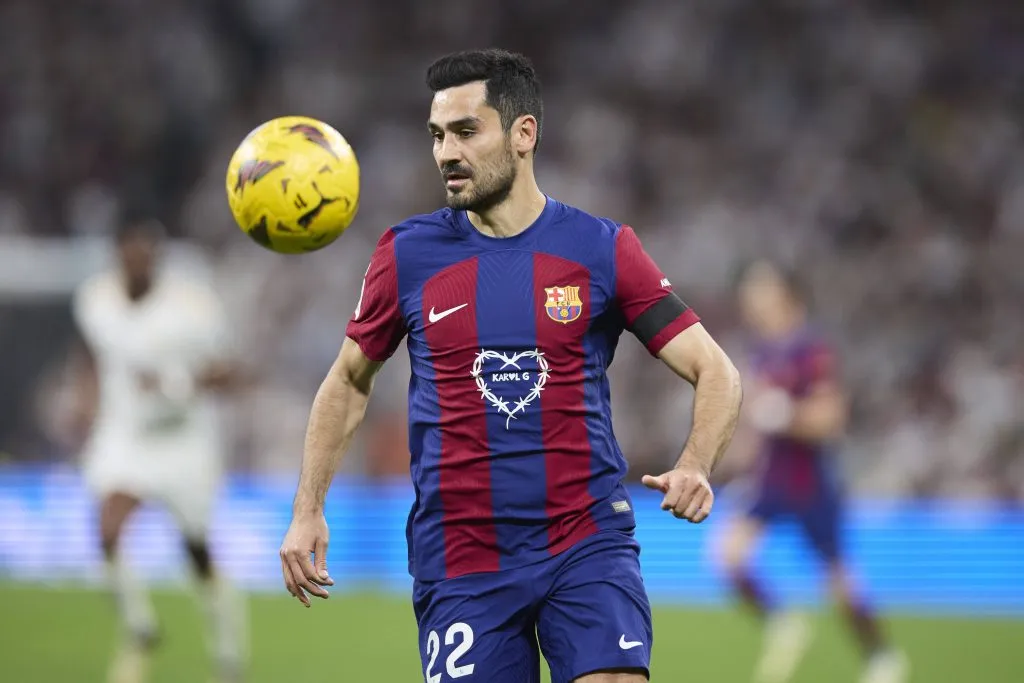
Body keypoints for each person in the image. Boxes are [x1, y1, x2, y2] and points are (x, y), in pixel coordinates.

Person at [279, 48, 742, 683]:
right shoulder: (407, 254)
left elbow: (716, 371)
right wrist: (308, 507)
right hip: (461, 557)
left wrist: (696, 463)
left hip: (585, 540)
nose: (446, 152)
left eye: (466, 131)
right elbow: (348, 382)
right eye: (438, 135)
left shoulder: (601, 249)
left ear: (524, 134)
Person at [71, 219, 248, 683]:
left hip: (184, 442)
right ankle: (140, 630)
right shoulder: (95, 301)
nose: (138, 262)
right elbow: (94, 351)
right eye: (130, 253)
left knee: (196, 552)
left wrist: (175, 383)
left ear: (157, 257)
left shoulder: (191, 307)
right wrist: (84, 398)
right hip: (126, 437)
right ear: (117, 255)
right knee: (107, 530)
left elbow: (231, 372)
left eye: (146, 253)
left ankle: (228, 651)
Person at [715, 260, 909, 683]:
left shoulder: (811, 350)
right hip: (771, 479)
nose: (750, 296)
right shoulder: (761, 352)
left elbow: (830, 420)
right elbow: (756, 425)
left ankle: (881, 656)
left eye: (760, 287)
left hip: (810, 482)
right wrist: (743, 465)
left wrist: (785, 415)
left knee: (840, 584)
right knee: (728, 557)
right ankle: (783, 624)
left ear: (784, 294)